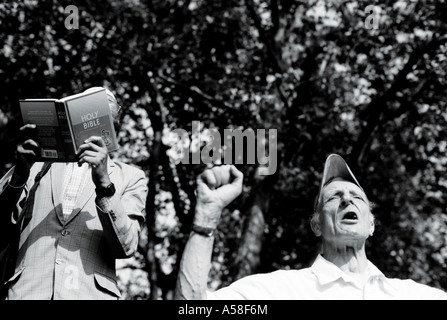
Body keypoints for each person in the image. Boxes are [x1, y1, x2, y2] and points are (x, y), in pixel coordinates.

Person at [174, 156, 447, 300]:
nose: (346, 199)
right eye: (333, 197)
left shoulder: (412, 294)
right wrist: (205, 221)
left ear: (372, 224)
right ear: (316, 225)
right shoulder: (279, 290)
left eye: (357, 197)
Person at [0, 87, 148, 300]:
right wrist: (19, 175)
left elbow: (126, 246)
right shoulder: (35, 164)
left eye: (108, 120)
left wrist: (104, 183)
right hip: (27, 293)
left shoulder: (132, 177)